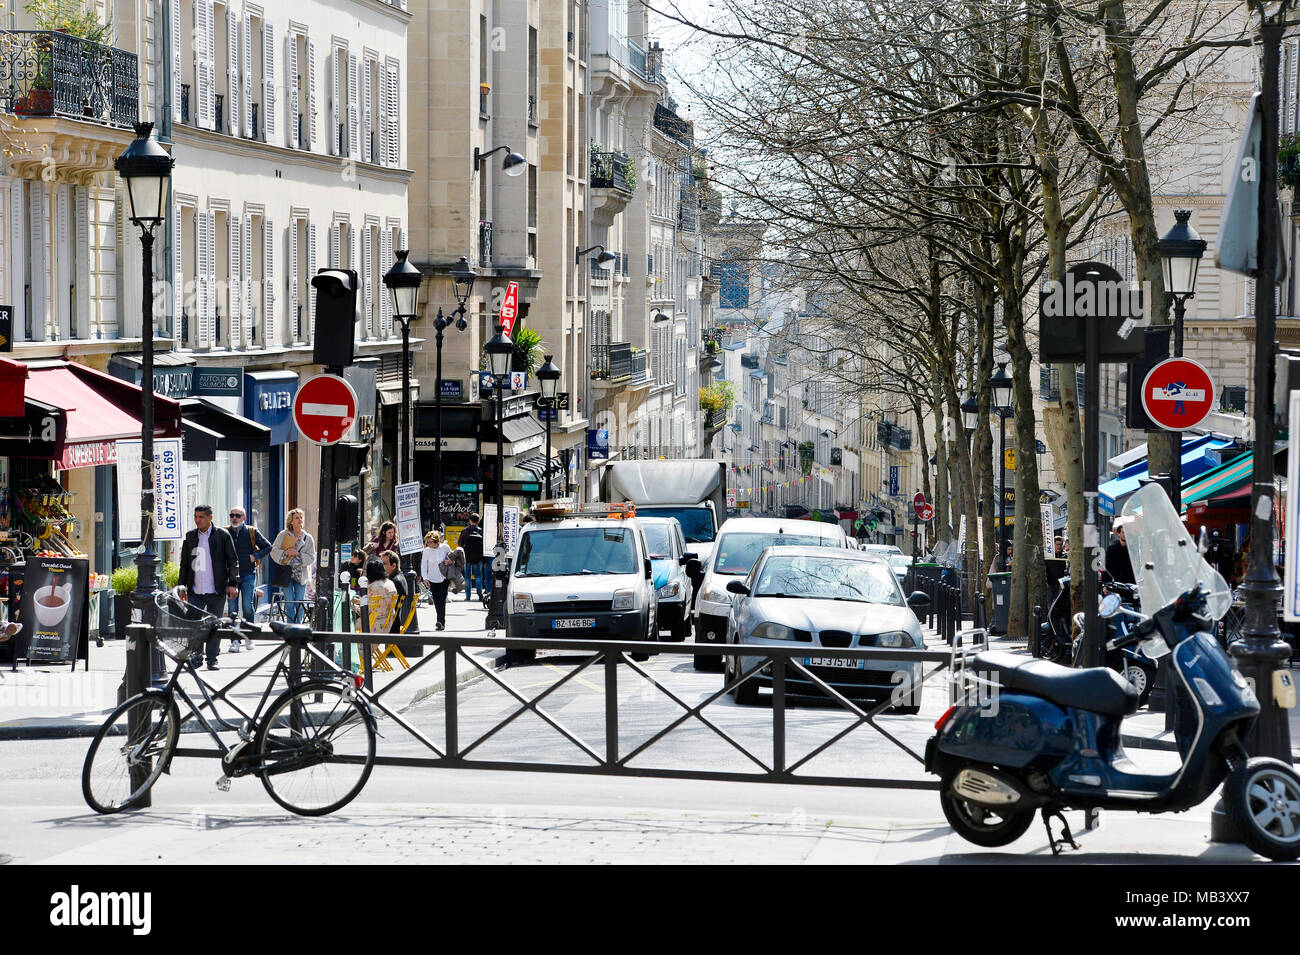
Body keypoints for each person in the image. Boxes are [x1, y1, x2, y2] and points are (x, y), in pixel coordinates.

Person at [179, 504, 240, 670]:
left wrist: (232, 583)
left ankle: (212, 659)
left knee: (214, 625)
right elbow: (184, 563)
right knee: (195, 625)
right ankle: (196, 658)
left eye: (201, 517)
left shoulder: (222, 535)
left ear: (210, 517)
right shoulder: (190, 536)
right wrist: (181, 586)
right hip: (195, 590)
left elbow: (233, 561)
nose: (197, 520)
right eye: (195, 517)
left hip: (216, 589)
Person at [225, 506, 272, 652]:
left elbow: (268, 547)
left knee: (247, 606)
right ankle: (234, 640)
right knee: (232, 608)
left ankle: (248, 637)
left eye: (237, 516)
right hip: (230, 575)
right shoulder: (225, 531)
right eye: (232, 515)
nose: (234, 518)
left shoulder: (251, 531)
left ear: (244, 517)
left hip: (248, 574)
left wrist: (255, 557)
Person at [271, 508, 316, 624]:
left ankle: (298, 626)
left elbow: (311, 557)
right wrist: (285, 553)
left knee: (299, 602)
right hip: (286, 573)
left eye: (301, 517)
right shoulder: (283, 534)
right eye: (297, 517)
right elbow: (273, 550)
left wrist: (298, 554)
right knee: (289, 602)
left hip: (301, 574)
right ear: (291, 521)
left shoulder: (308, 537)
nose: (300, 519)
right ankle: (290, 627)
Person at [352, 557, 398, 635]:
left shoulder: (372, 588)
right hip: (388, 623)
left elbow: (364, 611)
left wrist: (353, 606)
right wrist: (360, 601)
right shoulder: (390, 583)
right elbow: (379, 603)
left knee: (347, 623)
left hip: (372, 626)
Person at [421, 531, 453, 630]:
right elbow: (424, 565)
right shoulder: (426, 551)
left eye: (430, 542)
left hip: (444, 578)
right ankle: (440, 620)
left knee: (442, 600)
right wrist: (425, 578)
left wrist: (450, 561)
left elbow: (453, 558)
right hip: (432, 578)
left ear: (436, 542)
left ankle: (440, 621)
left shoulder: (445, 548)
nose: (428, 544)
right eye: (427, 542)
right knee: (436, 600)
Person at [382, 550, 410, 634]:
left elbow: (385, 605)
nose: (381, 566)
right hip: (394, 622)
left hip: (389, 624)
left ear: (393, 565)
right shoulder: (399, 577)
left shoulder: (395, 582)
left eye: (384, 564)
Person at [460, 513, 486, 602]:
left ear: (469, 520)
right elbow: (484, 546)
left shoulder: (464, 531)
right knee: (478, 576)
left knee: (467, 577)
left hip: (467, 556)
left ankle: (468, 596)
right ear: (478, 521)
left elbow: (460, 543)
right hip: (478, 556)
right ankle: (479, 593)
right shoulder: (481, 531)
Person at [1105, 519, 1135, 584]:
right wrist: (1105, 584)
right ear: (1118, 534)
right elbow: (1106, 568)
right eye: (1123, 532)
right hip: (1116, 584)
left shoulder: (1133, 550)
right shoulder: (1112, 549)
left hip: (1131, 585)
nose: (1125, 534)